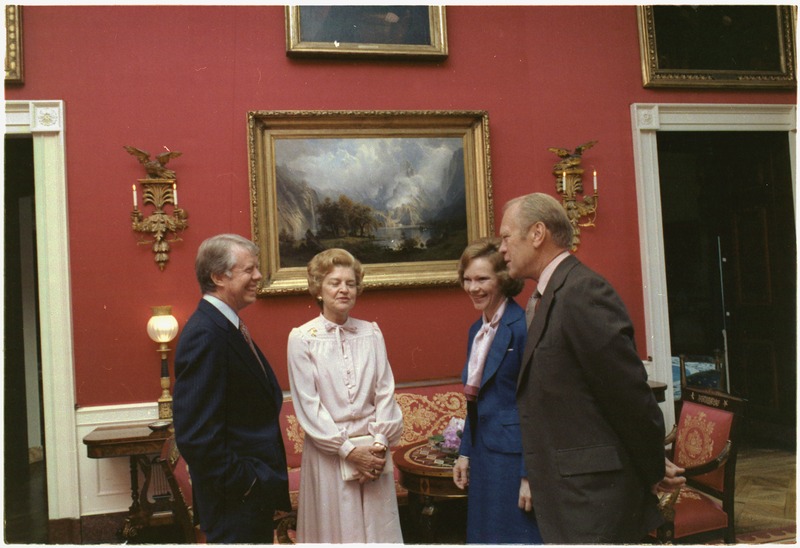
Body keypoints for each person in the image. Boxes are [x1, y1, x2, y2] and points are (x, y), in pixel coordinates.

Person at [498, 193, 683, 543]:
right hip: (569, 496)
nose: (502, 249)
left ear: (537, 234)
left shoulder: (583, 292)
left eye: (506, 237)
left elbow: (629, 398)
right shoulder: (546, 296)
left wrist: (652, 468)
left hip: (594, 501)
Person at [173, 234, 290, 543]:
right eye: (249, 270)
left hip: (246, 500)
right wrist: (248, 483)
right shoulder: (206, 333)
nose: (257, 277)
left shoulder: (225, 325)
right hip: (235, 501)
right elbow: (196, 436)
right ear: (217, 277)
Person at [287, 248, 404, 543]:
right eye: (334, 283)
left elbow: (385, 392)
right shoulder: (302, 339)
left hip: (374, 454)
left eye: (350, 283)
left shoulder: (371, 333)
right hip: (330, 455)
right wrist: (350, 452)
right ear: (318, 289)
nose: (343, 289)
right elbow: (309, 406)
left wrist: (377, 448)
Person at [452, 238, 543, 544]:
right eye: (467, 279)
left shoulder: (522, 327)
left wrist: (530, 475)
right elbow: (474, 403)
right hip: (484, 456)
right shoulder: (474, 332)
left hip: (514, 460)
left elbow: (536, 405)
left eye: (482, 279)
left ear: (503, 280)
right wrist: (464, 453)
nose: (473, 288)